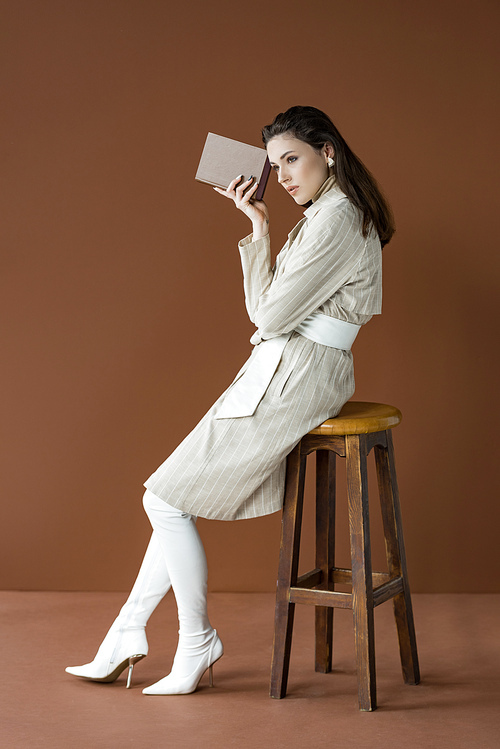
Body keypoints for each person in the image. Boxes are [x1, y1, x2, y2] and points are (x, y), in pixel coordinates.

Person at [65, 105, 394, 696]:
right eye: (275, 165)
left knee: (165, 501)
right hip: (286, 365)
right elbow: (266, 315)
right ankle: (128, 631)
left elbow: (267, 315)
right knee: (171, 499)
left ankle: (193, 642)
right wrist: (260, 227)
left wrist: (264, 251)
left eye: (292, 159)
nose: (284, 176)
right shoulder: (322, 215)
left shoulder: (336, 219)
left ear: (328, 151)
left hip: (300, 371)